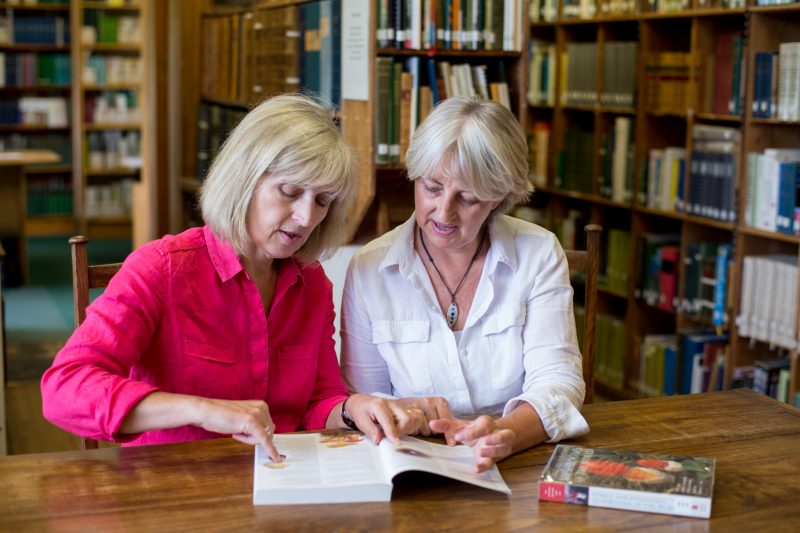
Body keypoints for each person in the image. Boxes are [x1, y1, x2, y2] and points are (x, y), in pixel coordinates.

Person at [41, 95, 421, 462]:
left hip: (282, 479)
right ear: (245, 180)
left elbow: (318, 401)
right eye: (290, 192)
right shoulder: (162, 269)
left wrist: (355, 407)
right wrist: (203, 411)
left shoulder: (312, 283)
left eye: (322, 201)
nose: (307, 217)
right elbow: (63, 390)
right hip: (171, 488)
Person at [340, 97, 589, 472]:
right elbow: (360, 395)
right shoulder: (369, 268)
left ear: (499, 197)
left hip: (514, 461)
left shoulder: (538, 253)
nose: (443, 213)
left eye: (468, 199)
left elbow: (558, 380)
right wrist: (396, 413)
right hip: (409, 462)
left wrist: (505, 433)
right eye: (431, 188)